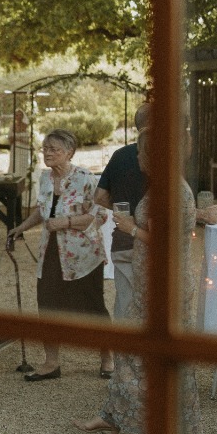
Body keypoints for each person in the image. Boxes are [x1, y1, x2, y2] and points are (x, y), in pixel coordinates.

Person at [76, 128, 203, 434]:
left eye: (143, 154)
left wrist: (132, 228)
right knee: (134, 348)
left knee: (145, 350)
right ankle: (119, 419)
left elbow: (168, 242)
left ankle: (178, 429)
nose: (140, 159)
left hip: (164, 284)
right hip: (151, 279)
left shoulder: (172, 191)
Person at [6, 129, 110, 381]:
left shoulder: (86, 178)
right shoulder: (44, 178)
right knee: (48, 306)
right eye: (45, 148)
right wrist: (21, 227)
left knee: (92, 308)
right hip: (50, 253)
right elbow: (43, 213)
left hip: (83, 255)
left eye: (54, 149)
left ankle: (108, 357)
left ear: (70, 152)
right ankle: (51, 362)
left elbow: (101, 215)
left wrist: (65, 222)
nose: (48, 153)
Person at [94, 103, 151, 373]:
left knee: (125, 304)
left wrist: (120, 212)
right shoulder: (164, 154)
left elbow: (99, 197)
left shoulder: (119, 155)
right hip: (149, 244)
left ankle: (125, 366)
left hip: (124, 243)